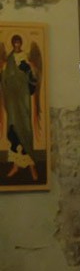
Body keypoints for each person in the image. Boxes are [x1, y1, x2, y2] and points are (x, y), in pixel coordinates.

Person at [1, 34, 39, 180]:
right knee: (13, 132)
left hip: (23, 101)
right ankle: (16, 165)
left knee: (25, 131)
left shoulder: (25, 58)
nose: (16, 45)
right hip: (12, 101)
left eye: (18, 42)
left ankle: (31, 166)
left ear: (21, 43)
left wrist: (28, 70)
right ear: (12, 44)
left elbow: (32, 79)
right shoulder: (9, 59)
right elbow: (5, 79)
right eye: (14, 42)